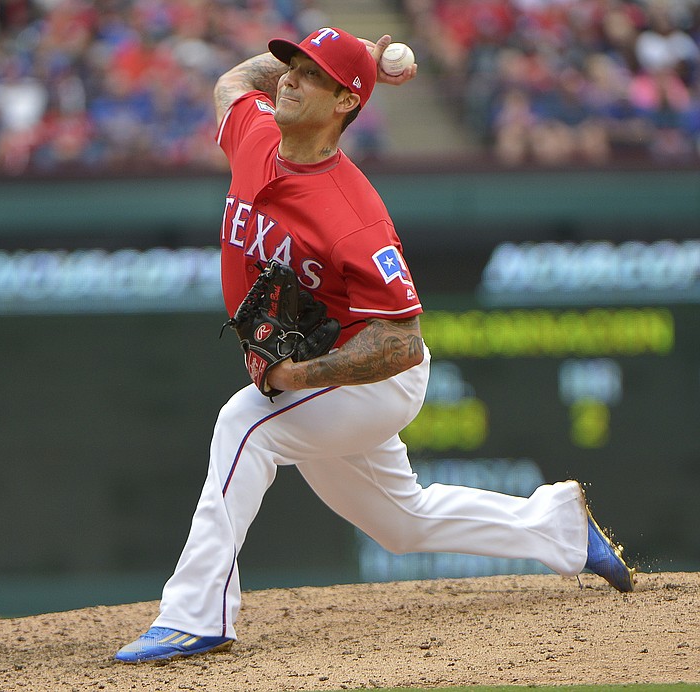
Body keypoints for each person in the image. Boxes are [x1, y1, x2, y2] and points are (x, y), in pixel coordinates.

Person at [115, 27, 634, 664]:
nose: (289, 80)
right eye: (291, 66)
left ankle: (197, 615)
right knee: (401, 522)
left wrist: (297, 376)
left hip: (375, 378)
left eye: (309, 75)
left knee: (244, 426)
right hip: (323, 373)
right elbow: (232, 83)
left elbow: (404, 345)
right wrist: (358, 51)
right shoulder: (254, 133)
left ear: (342, 104)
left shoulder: (353, 214)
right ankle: (557, 526)